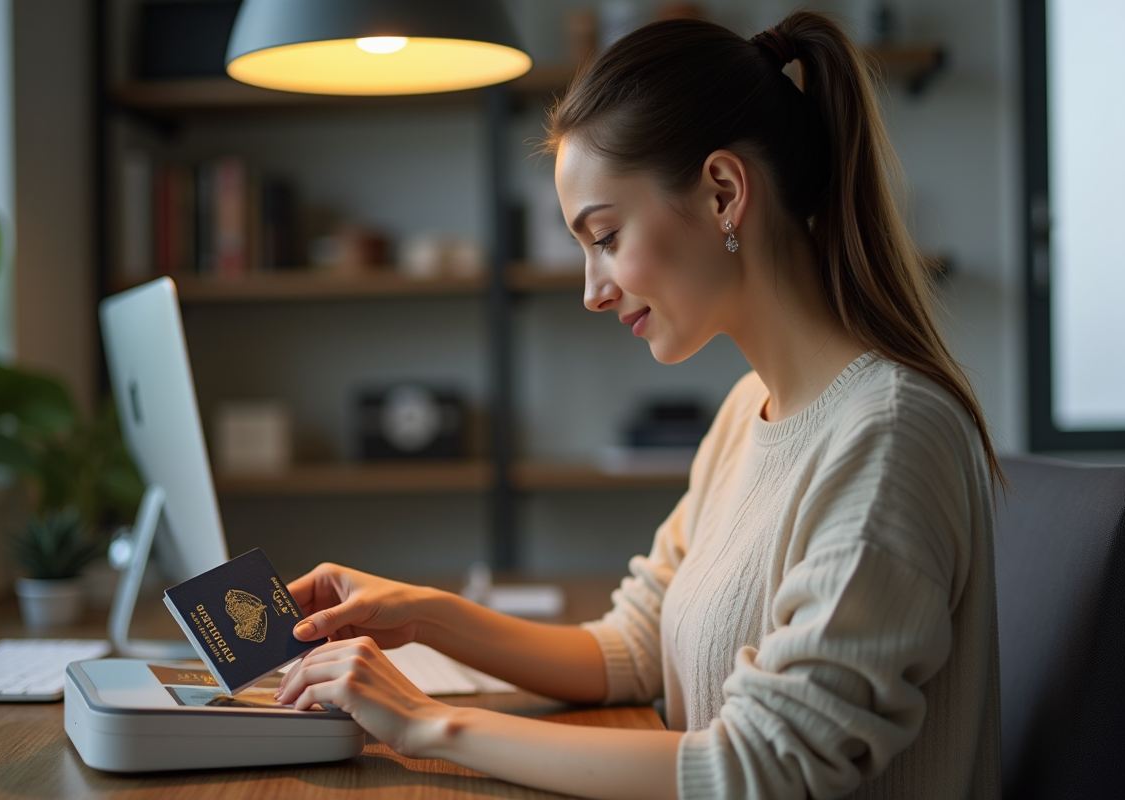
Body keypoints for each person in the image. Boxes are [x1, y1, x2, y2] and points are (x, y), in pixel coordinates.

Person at [274, 11, 1002, 800]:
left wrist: (424, 722)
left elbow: (765, 767)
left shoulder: (889, 435)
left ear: (724, 193)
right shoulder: (748, 411)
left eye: (606, 237)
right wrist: (421, 615)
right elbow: (634, 648)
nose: (593, 291)